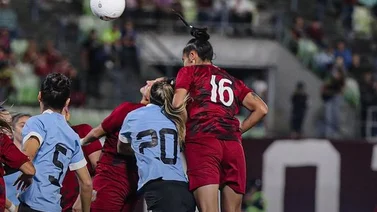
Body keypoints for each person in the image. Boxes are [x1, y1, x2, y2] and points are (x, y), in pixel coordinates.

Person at [172, 14, 268, 212]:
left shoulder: (189, 72)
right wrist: (237, 130)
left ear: (192, 56)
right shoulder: (231, 79)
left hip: (203, 140)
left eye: (184, 60)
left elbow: (177, 104)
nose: (183, 64)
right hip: (233, 145)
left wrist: (182, 132)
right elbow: (262, 109)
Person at [81, 77, 171, 212]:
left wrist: (80, 142)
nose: (147, 82)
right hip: (137, 182)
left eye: (153, 83)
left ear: (155, 93)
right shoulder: (163, 119)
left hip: (111, 177)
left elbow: (96, 133)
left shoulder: (129, 109)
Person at [17, 73, 93, 212]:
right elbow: (87, 184)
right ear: (67, 102)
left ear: (39, 96)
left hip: (32, 205)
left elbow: (26, 158)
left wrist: (26, 173)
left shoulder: (37, 122)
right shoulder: (72, 135)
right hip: (54, 207)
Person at [118, 79, 196, 212]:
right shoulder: (175, 118)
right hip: (183, 188)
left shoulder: (133, 116)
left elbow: (121, 148)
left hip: (159, 188)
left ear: (150, 96)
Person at [60, 108, 102, 212]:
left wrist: (84, 197)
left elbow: (100, 168)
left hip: (79, 206)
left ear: (66, 113)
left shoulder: (82, 131)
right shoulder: (43, 140)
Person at [0, 112, 35, 212]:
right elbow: (30, 171)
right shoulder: (2, 141)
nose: (28, 129)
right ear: (12, 130)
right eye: (23, 125)